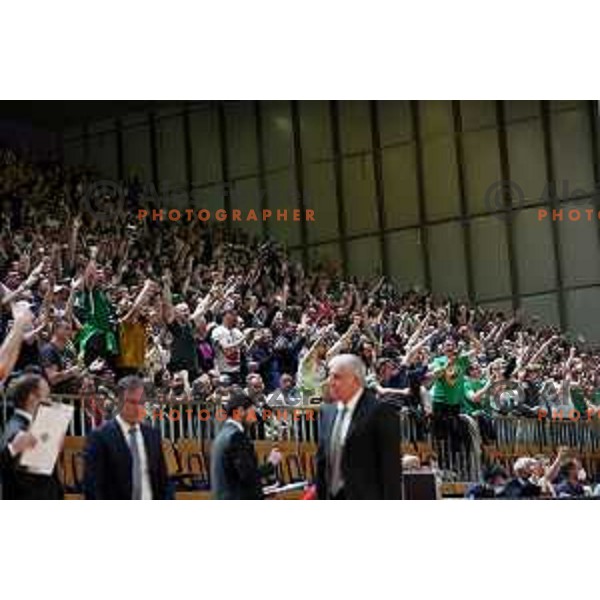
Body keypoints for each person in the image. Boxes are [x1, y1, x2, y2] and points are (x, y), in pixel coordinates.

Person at [316, 354, 402, 499]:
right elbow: (323, 463)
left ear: (355, 380)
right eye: (329, 376)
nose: (330, 382)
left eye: (336, 377)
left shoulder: (380, 412)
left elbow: (390, 471)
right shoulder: (327, 411)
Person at [83, 375, 168, 500]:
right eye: (132, 402)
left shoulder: (152, 436)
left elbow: (163, 481)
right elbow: (93, 487)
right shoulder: (100, 437)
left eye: (141, 402)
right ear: (119, 402)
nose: (138, 408)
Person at [0, 373, 63, 499]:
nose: (50, 402)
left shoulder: (34, 426)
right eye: (47, 396)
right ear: (32, 397)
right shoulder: (16, 428)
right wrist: (12, 449)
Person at [210, 390, 281, 499]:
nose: (254, 419)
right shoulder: (237, 437)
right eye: (252, 412)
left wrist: (261, 491)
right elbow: (248, 475)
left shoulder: (221, 434)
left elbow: (235, 477)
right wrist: (271, 464)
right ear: (240, 411)